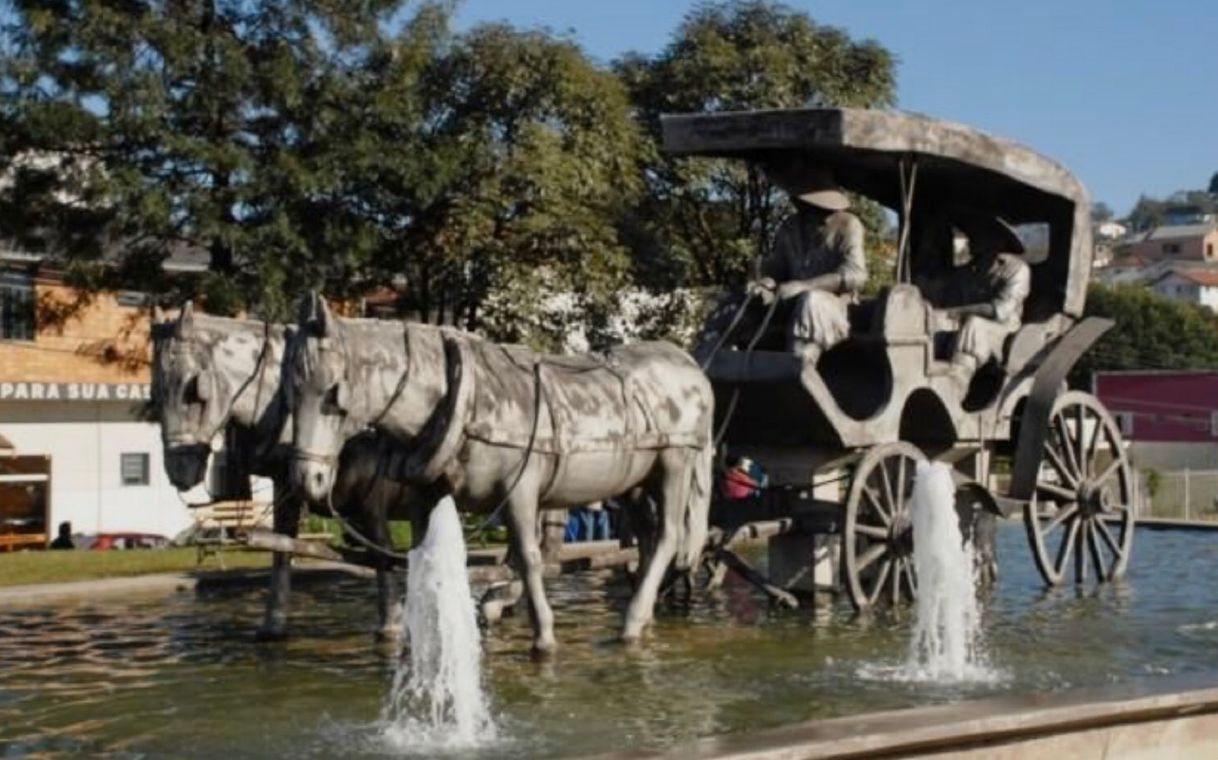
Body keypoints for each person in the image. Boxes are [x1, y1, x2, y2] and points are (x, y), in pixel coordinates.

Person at [749, 163, 867, 362]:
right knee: (743, 299)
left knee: (811, 301)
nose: (796, 202)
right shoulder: (790, 226)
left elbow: (856, 274)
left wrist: (804, 286)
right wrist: (766, 282)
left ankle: (799, 369)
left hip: (834, 305)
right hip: (788, 301)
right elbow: (778, 267)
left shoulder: (847, 224)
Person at [938, 217, 1031, 394]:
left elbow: (999, 311)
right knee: (932, 323)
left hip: (1004, 334)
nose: (972, 238)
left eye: (979, 234)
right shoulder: (967, 271)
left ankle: (957, 385)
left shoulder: (1017, 269)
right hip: (961, 327)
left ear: (996, 240)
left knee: (975, 324)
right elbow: (948, 300)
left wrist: (952, 312)